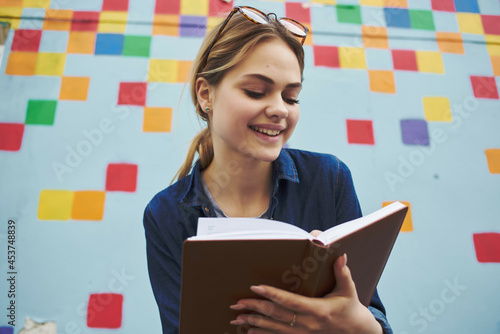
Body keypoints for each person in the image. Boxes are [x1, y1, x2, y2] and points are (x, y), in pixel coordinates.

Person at [144, 6, 392, 334]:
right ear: (206, 94)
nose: (278, 110)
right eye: (256, 92)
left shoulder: (329, 179)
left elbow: (373, 317)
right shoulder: (166, 215)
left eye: (291, 97)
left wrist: (362, 326)